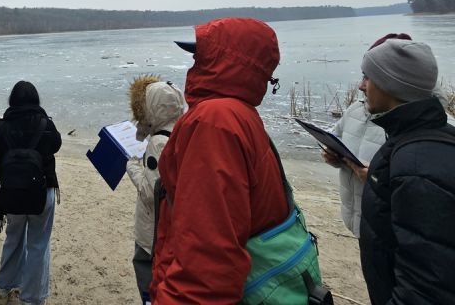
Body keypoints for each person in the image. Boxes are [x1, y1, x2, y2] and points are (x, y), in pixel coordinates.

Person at [150, 17, 288, 304]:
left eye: (200, 56)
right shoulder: (241, 114)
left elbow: (208, 265)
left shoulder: (214, 121)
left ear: (223, 62)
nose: (193, 64)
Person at [355, 38, 455, 304]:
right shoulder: (426, 139)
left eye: (368, 77)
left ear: (390, 85)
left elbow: (426, 286)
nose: (361, 86)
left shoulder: (416, 165)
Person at [321, 33, 411, 237]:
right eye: (363, 76)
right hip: (360, 223)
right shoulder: (354, 110)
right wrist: (333, 156)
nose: (360, 86)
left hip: (396, 234)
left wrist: (378, 178)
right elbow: (336, 140)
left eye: (368, 77)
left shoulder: (431, 129)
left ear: (392, 80)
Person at [0, 81, 61, 305]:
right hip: (42, 190)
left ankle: (5, 286)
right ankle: (32, 298)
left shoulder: (1, 127)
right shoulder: (45, 124)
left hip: (11, 192)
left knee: (13, 237)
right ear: (36, 99)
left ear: (12, 100)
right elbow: (56, 145)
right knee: (38, 244)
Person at [125, 76, 184, 305]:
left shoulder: (157, 143)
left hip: (152, 232)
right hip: (173, 228)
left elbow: (151, 193)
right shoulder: (182, 132)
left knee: (148, 280)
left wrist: (132, 167)